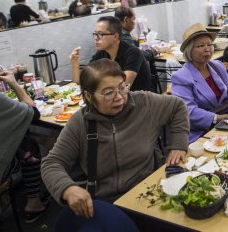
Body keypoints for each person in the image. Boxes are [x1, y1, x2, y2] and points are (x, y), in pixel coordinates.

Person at [41, 58, 189, 214]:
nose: (119, 97)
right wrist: (67, 188)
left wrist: (178, 145)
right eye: (108, 92)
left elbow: (178, 106)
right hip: (106, 202)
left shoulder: (144, 103)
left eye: (122, 87)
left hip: (149, 190)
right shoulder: (80, 123)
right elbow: (52, 163)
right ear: (89, 96)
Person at [0, 49, 49, 222]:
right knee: (30, 149)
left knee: (20, 135)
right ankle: (34, 204)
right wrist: (14, 84)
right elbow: (33, 112)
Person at [171, 23, 228, 143]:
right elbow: (188, 111)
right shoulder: (181, 77)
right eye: (200, 46)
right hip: (202, 132)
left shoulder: (216, 66)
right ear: (189, 51)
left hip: (227, 122)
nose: (207, 49)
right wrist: (216, 118)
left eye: (209, 44)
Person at [69, 16, 153, 92]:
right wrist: (74, 63)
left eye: (100, 34)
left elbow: (123, 88)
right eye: (95, 34)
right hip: (115, 100)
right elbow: (81, 81)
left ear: (115, 37)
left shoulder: (133, 53)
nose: (96, 38)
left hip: (139, 102)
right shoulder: (101, 53)